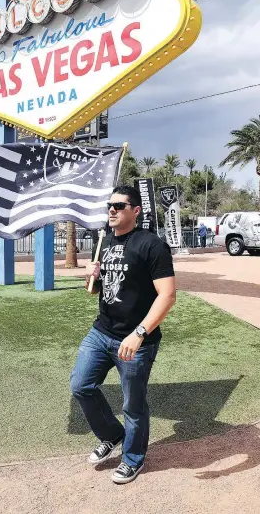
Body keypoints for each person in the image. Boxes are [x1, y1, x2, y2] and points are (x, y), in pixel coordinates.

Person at [70, 185, 176, 484]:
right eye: (109, 205)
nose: (112, 210)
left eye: (119, 205)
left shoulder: (151, 245)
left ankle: (132, 459)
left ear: (136, 210)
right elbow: (96, 292)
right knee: (81, 385)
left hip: (136, 341)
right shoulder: (103, 242)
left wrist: (140, 333)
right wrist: (90, 278)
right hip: (101, 332)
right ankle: (111, 434)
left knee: (133, 404)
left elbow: (167, 296)